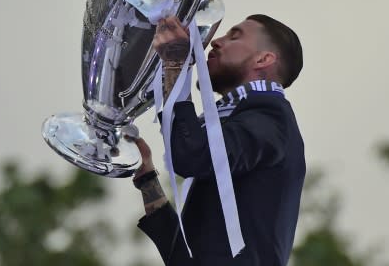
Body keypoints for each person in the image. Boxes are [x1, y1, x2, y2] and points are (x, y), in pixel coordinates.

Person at [131, 14, 305, 266]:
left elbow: (192, 155)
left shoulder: (271, 119)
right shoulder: (249, 121)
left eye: (235, 36)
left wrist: (176, 65)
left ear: (263, 59)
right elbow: (188, 255)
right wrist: (147, 180)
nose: (216, 42)